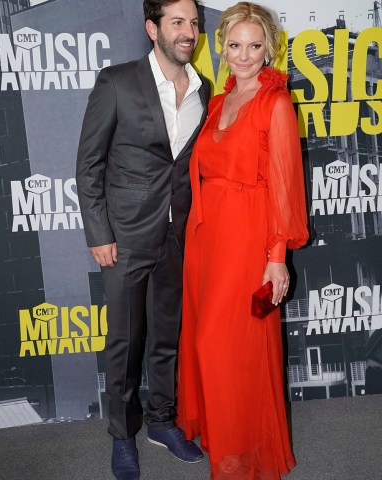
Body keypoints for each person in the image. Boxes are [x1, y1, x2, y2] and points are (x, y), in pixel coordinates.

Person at [76, 0, 211, 478]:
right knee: (124, 343)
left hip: (177, 235)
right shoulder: (117, 81)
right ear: (153, 28)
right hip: (126, 237)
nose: (188, 32)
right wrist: (99, 232)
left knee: (166, 340)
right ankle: (121, 436)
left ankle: (161, 421)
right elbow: (89, 163)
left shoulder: (202, 88)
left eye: (194, 23)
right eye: (178, 22)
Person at [176, 2, 309, 479]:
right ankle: (226, 440)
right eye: (235, 45)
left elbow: (284, 185)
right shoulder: (217, 102)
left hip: (248, 239)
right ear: (223, 47)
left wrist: (277, 258)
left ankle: (241, 458)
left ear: (269, 48)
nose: (245, 55)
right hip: (207, 239)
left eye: (255, 46)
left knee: (228, 346)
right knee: (210, 347)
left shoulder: (274, 103)